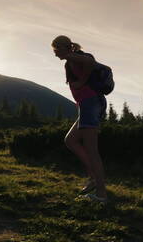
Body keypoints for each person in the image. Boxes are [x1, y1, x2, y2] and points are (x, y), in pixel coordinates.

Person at [52, 35, 108, 203]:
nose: (55, 54)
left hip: (90, 104)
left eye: (56, 50)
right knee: (71, 140)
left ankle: (101, 194)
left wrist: (82, 81)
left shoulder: (73, 56)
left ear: (64, 47)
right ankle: (93, 179)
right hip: (87, 106)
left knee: (92, 151)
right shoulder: (72, 59)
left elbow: (90, 63)